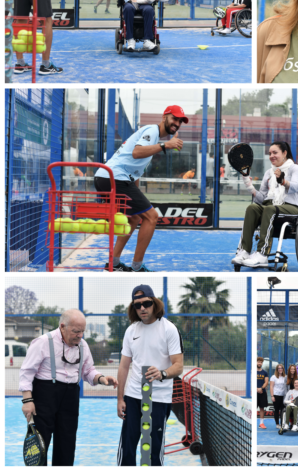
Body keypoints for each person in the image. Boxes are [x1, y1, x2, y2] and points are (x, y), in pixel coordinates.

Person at [94, 105, 188, 272]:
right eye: (175, 118)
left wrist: (137, 193)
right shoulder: (152, 131)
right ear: (164, 116)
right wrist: (165, 146)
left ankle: (113, 264)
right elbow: (137, 153)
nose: (177, 123)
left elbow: (135, 171)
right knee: (152, 217)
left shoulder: (153, 137)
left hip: (109, 178)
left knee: (134, 218)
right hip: (113, 177)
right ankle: (137, 267)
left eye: (180, 121)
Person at [19, 309, 117, 465]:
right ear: (62, 326)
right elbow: (27, 371)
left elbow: (88, 370)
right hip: (45, 394)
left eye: (82, 331)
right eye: (76, 331)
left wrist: (102, 378)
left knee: (67, 443)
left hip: (71, 396)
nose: (80, 335)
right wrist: (27, 400)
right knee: (40, 443)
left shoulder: (83, 345)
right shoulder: (43, 342)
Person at [117, 285, 184, 466]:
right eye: (137, 305)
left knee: (154, 451)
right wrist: (120, 398)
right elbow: (123, 367)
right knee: (127, 449)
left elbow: (178, 366)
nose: (142, 308)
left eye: (146, 303)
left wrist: (162, 373)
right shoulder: (131, 330)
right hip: (133, 396)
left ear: (154, 303)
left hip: (159, 398)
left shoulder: (169, 329)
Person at [231, 141, 298, 268]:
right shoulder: (269, 172)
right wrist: (249, 185)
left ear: (285, 153)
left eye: (275, 152)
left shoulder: (294, 168)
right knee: (252, 207)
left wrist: (282, 180)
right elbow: (262, 198)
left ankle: (262, 254)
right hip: (271, 206)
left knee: (269, 209)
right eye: (270, 153)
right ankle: (244, 251)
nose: (271, 156)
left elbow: (295, 187)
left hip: (292, 207)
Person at [269, 364, 287, 428]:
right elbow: (271, 386)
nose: (280, 369)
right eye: (279, 368)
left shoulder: (285, 377)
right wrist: (272, 396)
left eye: (281, 368)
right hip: (276, 395)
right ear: (277, 369)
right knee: (276, 410)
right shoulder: (273, 377)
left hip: (284, 396)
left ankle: (282, 423)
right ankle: (277, 424)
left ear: (283, 369)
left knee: (283, 410)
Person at [257, 356, 269, 430]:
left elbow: (266, 382)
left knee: (262, 408)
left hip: (262, 392)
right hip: (255, 393)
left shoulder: (265, 372)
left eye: (261, 362)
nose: (259, 363)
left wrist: (261, 388)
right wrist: (256, 389)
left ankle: (261, 423)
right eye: (258, 361)